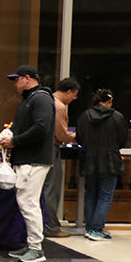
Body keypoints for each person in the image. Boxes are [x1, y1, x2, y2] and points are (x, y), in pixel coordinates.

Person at [0, 65, 56, 262]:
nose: (15, 84)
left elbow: (42, 127)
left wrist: (15, 141)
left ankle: (36, 248)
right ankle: (32, 244)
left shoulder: (40, 98)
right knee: (27, 202)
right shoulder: (32, 99)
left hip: (34, 159)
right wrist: (12, 136)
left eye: (17, 79)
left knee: (29, 202)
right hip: (29, 158)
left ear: (27, 78)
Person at [76, 88, 128, 241]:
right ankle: (97, 229)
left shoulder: (84, 116)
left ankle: (90, 228)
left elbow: (80, 138)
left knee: (91, 194)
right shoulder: (117, 117)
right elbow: (122, 140)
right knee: (105, 196)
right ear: (110, 100)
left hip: (88, 159)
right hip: (110, 160)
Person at [43, 77, 80, 238]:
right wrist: (74, 136)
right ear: (68, 92)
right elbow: (61, 135)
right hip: (51, 148)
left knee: (42, 188)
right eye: (74, 96)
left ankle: (42, 224)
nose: (72, 100)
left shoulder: (46, 100)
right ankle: (51, 226)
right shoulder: (58, 106)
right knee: (52, 188)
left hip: (41, 149)